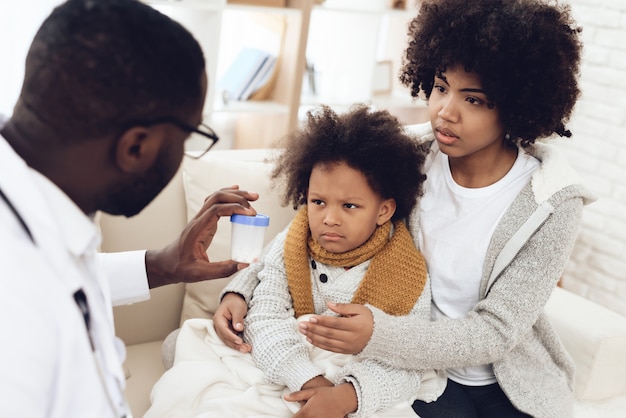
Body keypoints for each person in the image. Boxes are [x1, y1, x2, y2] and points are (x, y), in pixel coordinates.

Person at [214, 0, 594, 417]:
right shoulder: (406, 155)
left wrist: (378, 334)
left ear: (518, 106)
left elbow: (497, 331)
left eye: (475, 100)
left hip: (503, 380)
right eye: (440, 87)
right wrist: (242, 289)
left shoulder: (552, 202)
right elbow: (310, 230)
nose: (445, 111)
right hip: (411, 371)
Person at [0, 1, 258, 417]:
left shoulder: (37, 207)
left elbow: (60, 276)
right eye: (191, 135)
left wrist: (162, 265)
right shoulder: (15, 303)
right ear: (136, 147)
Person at [146, 104, 442, 418]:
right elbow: (265, 313)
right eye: (318, 202)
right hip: (287, 357)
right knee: (183, 345)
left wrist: (344, 397)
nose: (329, 218)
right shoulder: (295, 239)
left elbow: (407, 356)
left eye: (350, 206)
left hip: (353, 375)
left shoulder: (406, 272)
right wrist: (308, 378)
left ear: (383, 210)